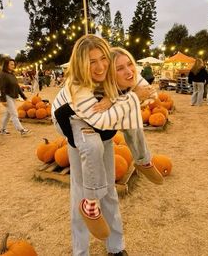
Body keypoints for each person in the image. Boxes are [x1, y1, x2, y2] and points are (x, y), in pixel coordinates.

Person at [52, 35, 161, 256]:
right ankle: (80, 252)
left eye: (103, 58)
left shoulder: (114, 66)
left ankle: (116, 247)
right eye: (92, 62)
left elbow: (148, 91)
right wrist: (130, 99)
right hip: (75, 124)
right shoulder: (77, 87)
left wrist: (115, 99)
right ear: (81, 64)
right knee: (82, 194)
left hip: (102, 128)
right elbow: (100, 120)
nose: (100, 66)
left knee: (109, 190)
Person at [0, 58, 31, 136]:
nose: (13, 66)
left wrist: (24, 97)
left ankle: (2, 129)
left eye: (14, 64)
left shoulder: (11, 74)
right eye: (11, 64)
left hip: (13, 96)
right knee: (14, 114)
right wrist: (3, 100)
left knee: (8, 114)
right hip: (7, 96)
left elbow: (17, 86)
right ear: (6, 65)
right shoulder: (3, 74)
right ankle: (21, 130)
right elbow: (2, 88)